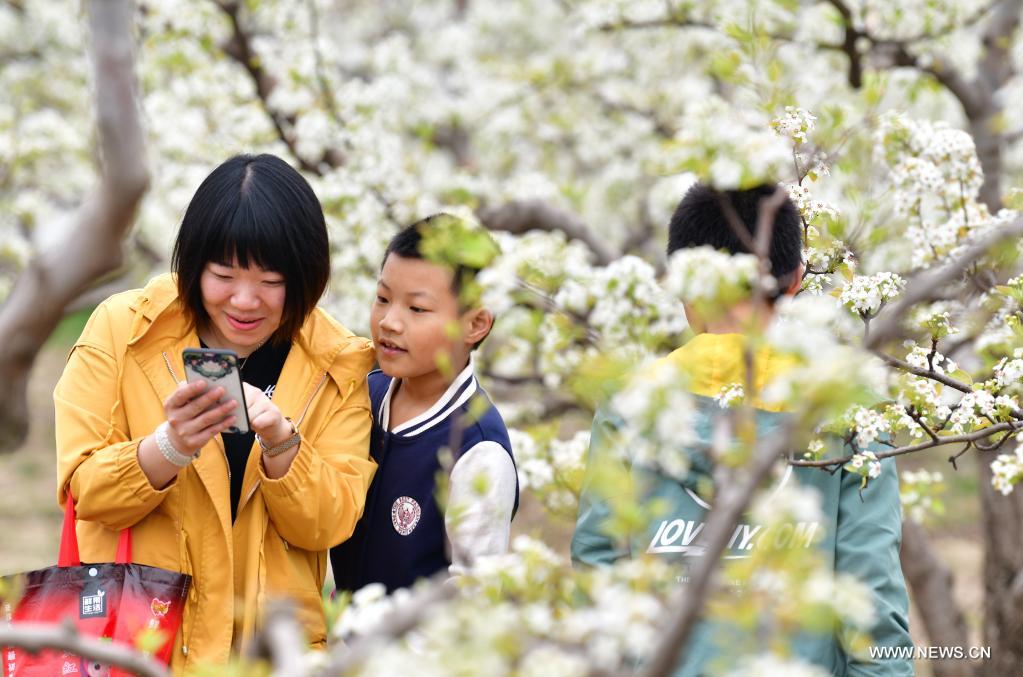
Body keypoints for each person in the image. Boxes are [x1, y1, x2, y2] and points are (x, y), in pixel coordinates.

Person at [570, 183, 913, 675]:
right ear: (795, 279)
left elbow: (597, 572)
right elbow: (873, 598)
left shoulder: (631, 401)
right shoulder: (847, 406)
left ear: (682, 281)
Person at [55, 153, 376, 671]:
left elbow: (329, 524)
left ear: (305, 275)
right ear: (194, 265)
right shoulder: (123, 331)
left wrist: (281, 442)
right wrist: (170, 446)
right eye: (224, 274)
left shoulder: (337, 362)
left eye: (271, 281)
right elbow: (86, 490)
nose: (245, 301)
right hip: (139, 652)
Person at [331, 215, 518, 593]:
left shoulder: (478, 451)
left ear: (476, 323)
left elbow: (473, 597)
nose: (389, 322)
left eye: (416, 309)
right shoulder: (364, 393)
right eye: (382, 299)